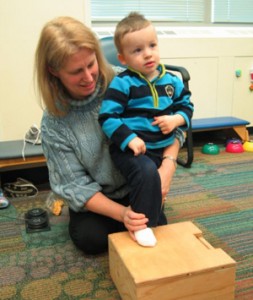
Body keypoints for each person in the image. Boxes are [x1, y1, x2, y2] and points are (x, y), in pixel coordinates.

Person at [34, 16, 186, 255]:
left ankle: (137, 216)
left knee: (156, 224)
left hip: (137, 181)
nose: (89, 77)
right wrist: (122, 214)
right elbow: (75, 184)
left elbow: (173, 124)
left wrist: (168, 167)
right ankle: (128, 218)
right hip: (99, 196)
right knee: (91, 239)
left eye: (91, 64)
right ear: (54, 71)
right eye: (76, 71)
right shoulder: (55, 123)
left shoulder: (127, 79)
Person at [99, 12, 193, 246]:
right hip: (131, 149)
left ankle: (152, 215)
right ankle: (143, 225)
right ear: (123, 58)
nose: (148, 53)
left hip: (159, 147)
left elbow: (187, 107)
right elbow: (107, 116)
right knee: (147, 174)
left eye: (152, 45)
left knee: (155, 182)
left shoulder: (172, 81)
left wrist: (176, 120)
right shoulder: (123, 83)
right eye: (137, 50)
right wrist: (128, 138)